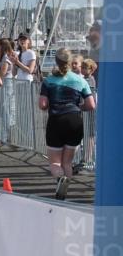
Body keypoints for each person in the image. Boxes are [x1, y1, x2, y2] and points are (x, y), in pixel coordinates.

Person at [39, 48, 96, 200]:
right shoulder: (80, 80)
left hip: (56, 121)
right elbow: (91, 105)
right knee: (67, 162)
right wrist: (78, 107)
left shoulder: (48, 81)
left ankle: (60, 179)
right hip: (74, 121)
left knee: (55, 163)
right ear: (70, 62)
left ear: (56, 61)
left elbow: (42, 104)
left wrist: (51, 104)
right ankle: (64, 190)